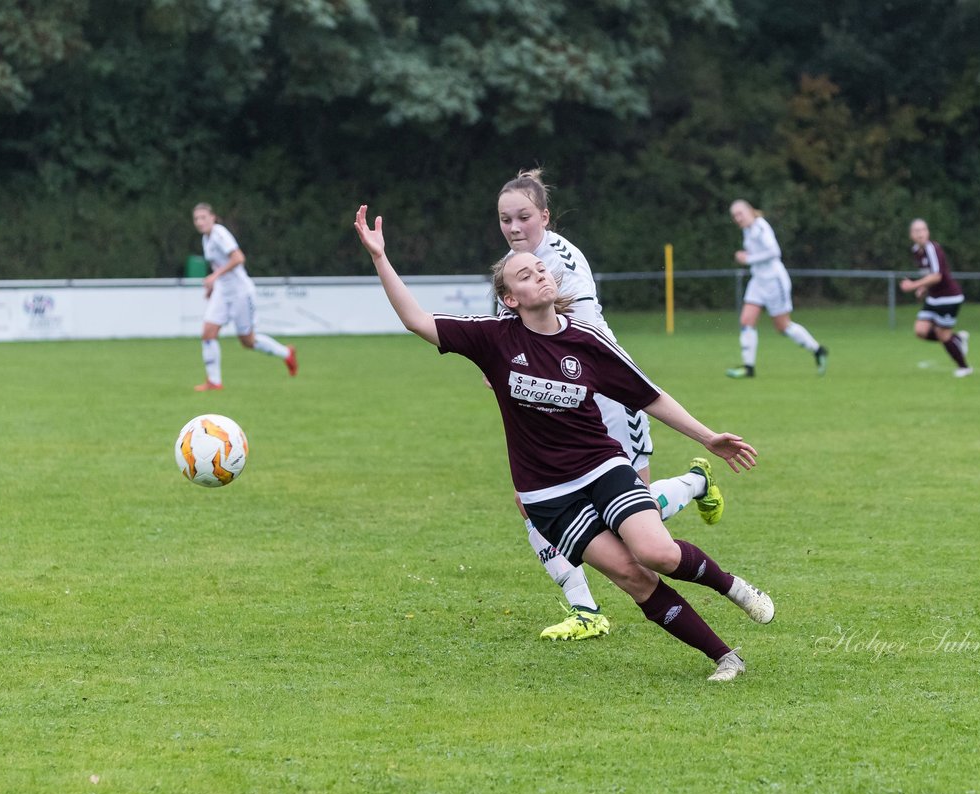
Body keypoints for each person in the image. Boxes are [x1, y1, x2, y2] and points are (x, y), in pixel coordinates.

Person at [353, 204, 775, 681]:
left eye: (539, 270)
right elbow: (415, 320)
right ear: (510, 299)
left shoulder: (588, 341)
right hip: (546, 493)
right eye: (525, 276)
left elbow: (649, 395)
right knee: (634, 577)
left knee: (656, 553)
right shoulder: (493, 338)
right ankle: (725, 657)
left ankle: (733, 588)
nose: (539, 276)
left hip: (601, 466)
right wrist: (380, 257)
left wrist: (708, 436)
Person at [497, 170, 724, 642]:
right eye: (505, 220)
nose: (514, 228)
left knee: (633, 532)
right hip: (557, 402)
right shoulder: (516, 266)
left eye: (523, 218)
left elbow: (571, 341)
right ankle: (585, 609)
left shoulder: (553, 264)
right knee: (532, 504)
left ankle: (694, 481)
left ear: (545, 216)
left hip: (605, 397)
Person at [191, 203, 298, 390]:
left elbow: (238, 258)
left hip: (241, 292)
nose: (199, 222)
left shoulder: (219, 234)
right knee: (208, 332)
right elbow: (219, 266)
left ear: (213, 217)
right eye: (196, 219)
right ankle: (214, 381)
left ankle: (286, 353)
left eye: (203, 217)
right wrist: (213, 285)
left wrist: (214, 277)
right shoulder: (206, 239)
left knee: (248, 341)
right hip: (223, 292)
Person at [725, 200, 827, 378]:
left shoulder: (760, 227)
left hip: (774, 281)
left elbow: (774, 252)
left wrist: (748, 259)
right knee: (746, 321)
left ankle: (818, 350)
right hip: (758, 280)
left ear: (750, 211)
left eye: (740, 213)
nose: (737, 218)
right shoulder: (748, 230)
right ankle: (748, 368)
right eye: (734, 216)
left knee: (782, 326)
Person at [899, 219, 971, 377]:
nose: (920, 233)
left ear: (928, 232)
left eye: (923, 229)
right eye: (916, 231)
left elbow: (937, 276)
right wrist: (924, 287)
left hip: (949, 298)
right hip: (934, 298)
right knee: (920, 331)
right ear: (911, 235)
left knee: (943, 335)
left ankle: (964, 367)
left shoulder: (932, 249)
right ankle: (957, 339)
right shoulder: (916, 251)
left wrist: (914, 285)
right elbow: (928, 274)